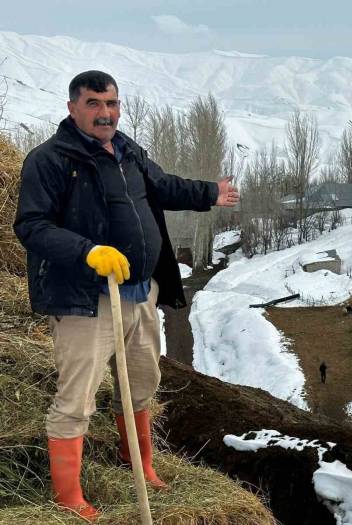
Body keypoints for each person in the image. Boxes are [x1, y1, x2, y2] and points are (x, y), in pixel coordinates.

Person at [13, 70, 239, 521]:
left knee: (140, 385)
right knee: (76, 398)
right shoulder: (51, 159)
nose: (106, 113)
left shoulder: (127, 151)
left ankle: (139, 462)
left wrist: (208, 193)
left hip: (139, 292)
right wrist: (88, 251)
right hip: (86, 299)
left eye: (112, 103)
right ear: (72, 107)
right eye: (94, 103)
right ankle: (68, 497)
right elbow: (31, 226)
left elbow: (162, 186)